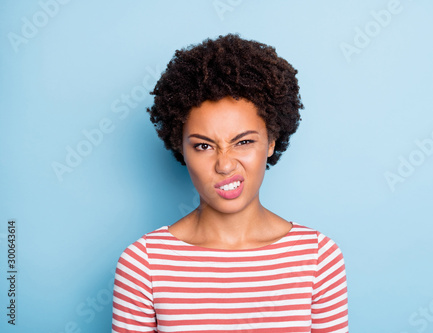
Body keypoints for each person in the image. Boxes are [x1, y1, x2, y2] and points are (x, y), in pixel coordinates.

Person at [111, 33, 348, 332]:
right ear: (179, 146)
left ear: (272, 141)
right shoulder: (143, 264)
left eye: (244, 142)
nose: (224, 165)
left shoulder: (318, 259)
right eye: (203, 146)